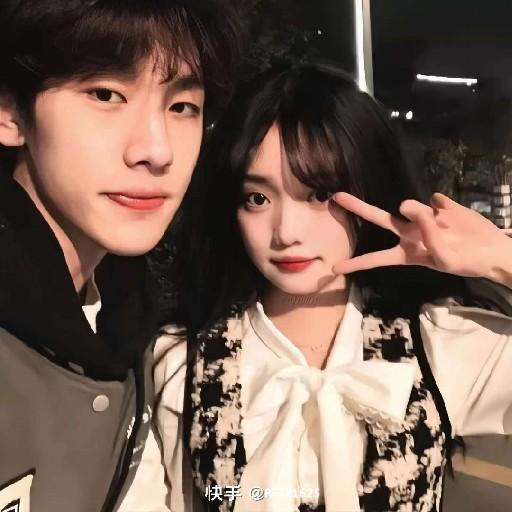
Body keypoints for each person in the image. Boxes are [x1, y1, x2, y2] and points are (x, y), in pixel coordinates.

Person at [130, 62, 512, 512]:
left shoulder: (437, 344)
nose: (286, 232)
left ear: (368, 189)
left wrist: (500, 259)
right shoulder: (181, 360)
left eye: (319, 195)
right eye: (257, 198)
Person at [0, 1, 241, 511]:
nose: (157, 151)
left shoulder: (134, 327)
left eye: (183, 107)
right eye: (106, 94)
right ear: (9, 111)